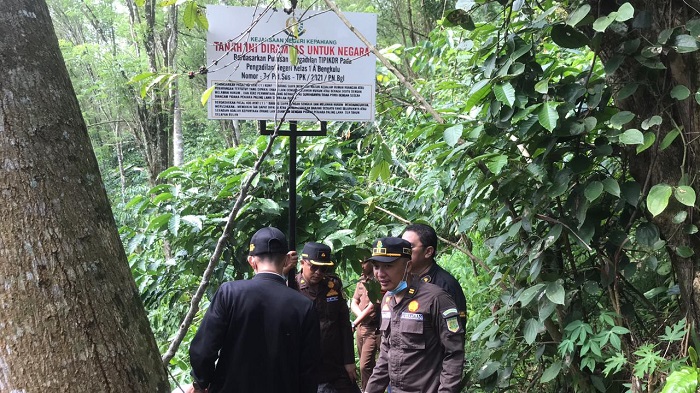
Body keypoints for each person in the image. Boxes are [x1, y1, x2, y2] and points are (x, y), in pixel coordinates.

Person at [188, 227, 321, 393]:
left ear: (251, 261)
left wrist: (201, 383)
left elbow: (203, 350)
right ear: (287, 260)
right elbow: (309, 369)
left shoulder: (229, 293)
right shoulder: (304, 306)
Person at [364, 237, 465, 393]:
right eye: (376, 266)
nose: (380, 274)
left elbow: (454, 354)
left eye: (388, 266)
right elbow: (385, 354)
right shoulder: (387, 300)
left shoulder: (436, 299)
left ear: (408, 266)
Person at [296, 242, 359, 393]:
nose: (318, 272)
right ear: (302, 263)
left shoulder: (333, 286)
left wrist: (349, 360)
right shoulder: (292, 287)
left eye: (323, 268)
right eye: (314, 267)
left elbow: (344, 325)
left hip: (335, 363)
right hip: (306, 365)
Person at [402, 223, 467, 330]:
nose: (403, 252)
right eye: (402, 246)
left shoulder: (445, 284)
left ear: (428, 252)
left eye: (410, 247)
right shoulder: (402, 280)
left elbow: (455, 332)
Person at [351, 260, 381, 391]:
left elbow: (372, 306)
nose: (361, 266)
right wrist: (358, 320)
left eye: (363, 262)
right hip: (360, 327)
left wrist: (356, 321)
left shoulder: (378, 281)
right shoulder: (361, 280)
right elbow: (354, 301)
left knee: (365, 365)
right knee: (366, 366)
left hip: (372, 329)